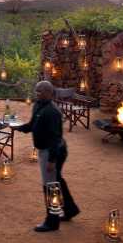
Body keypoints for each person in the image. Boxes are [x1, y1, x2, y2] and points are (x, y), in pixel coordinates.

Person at [15, 80, 80, 232]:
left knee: (50, 186)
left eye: (41, 91)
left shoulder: (52, 112)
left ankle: (52, 222)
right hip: (48, 150)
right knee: (57, 180)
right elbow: (32, 125)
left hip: (53, 151)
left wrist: (51, 160)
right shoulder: (38, 105)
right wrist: (17, 127)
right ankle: (70, 210)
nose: (37, 94)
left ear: (50, 93)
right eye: (36, 91)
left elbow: (55, 139)